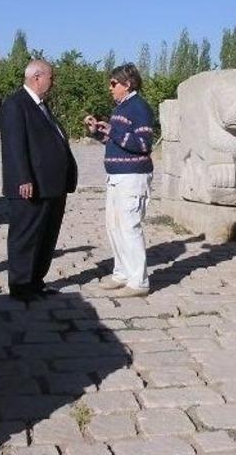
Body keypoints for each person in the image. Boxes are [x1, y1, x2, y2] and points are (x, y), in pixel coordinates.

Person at [0, 59, 78, 302]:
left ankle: (36, 281)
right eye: (50, 78)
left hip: (52, 185)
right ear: (37, 77)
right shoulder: (16, 105)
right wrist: (24, 177)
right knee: (26, 236)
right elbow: (14, 146)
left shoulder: (42, 106)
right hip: (31, 185)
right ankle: (21, 285)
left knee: (46, 236)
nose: (52, 83)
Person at [84, 63, 154, 297]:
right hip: (116, 176)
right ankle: (122, 273)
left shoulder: (139, 107)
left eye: (114, 83)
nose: (110, 87)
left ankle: (139, 282)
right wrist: (99, 132)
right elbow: (117, 143)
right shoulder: (122, 108)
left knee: (129, 227)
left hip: (132, 177)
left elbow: (143, 144)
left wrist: (113, 131)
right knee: (114, 227)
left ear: (128, 84)